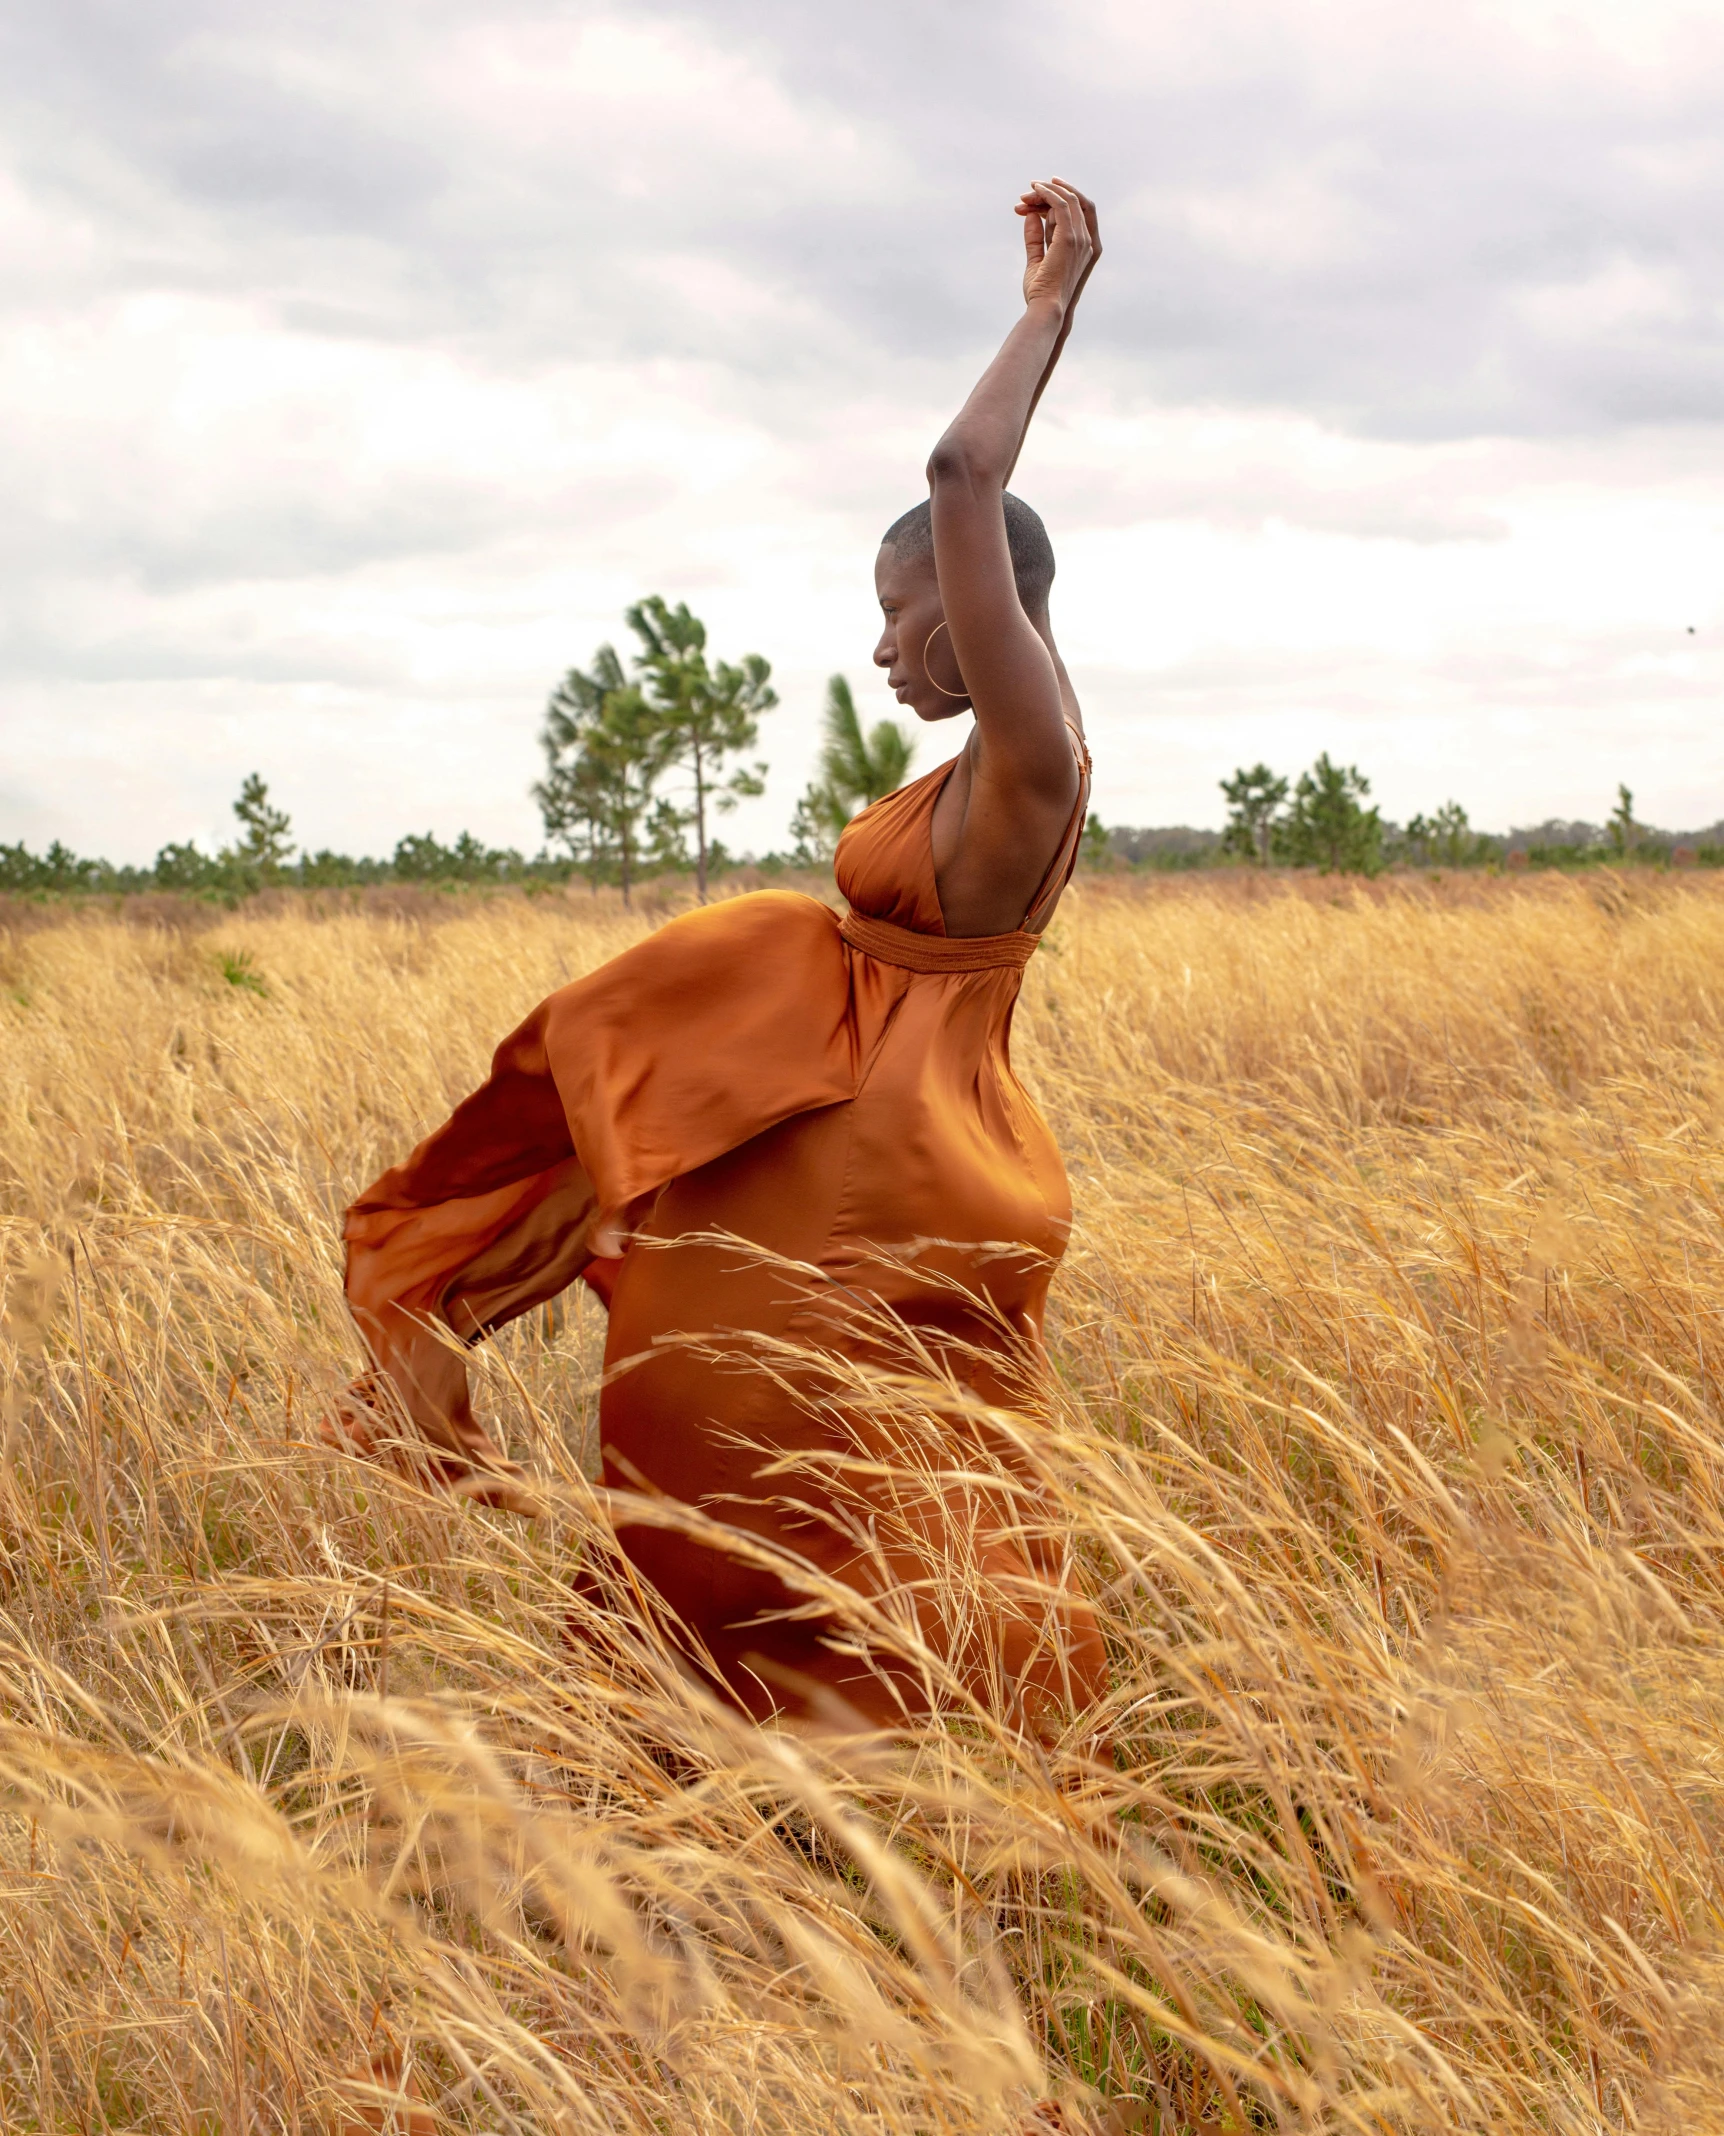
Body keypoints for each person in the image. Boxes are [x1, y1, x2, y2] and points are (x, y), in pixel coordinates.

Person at [338, 178, 1109, 1737]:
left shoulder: (1035, 757)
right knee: (806, 1459)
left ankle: (800, 1746)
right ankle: (787, 1761)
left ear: (988, 613)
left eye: (905, 619)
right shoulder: (982, 775)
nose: (886, 651)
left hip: (890, 1166)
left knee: (787, 1461)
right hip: (869, 1144)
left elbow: (964, 470)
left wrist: (1052, 301)